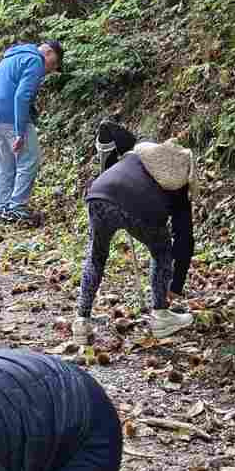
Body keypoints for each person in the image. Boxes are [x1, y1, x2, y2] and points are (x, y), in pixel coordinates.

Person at [74, 125, 195, 344]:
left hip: (99, 194)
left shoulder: (139, 155)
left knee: (96, 256)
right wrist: (175, 286)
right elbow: (184, 238)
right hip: (141, 206)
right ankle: (161, 315)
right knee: (161, 252)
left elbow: (105, 127)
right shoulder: (179, 181)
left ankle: (81, 320)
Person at [0, 39, 63, 226]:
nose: (47, 71)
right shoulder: (34, 60)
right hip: (13, 118)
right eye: (52, 65)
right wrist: (20, 132)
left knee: (7, 165)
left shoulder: (10, 57)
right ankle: (17, 207)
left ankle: (4, 208)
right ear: (49, 53)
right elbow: (22, 96)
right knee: (30, 159)